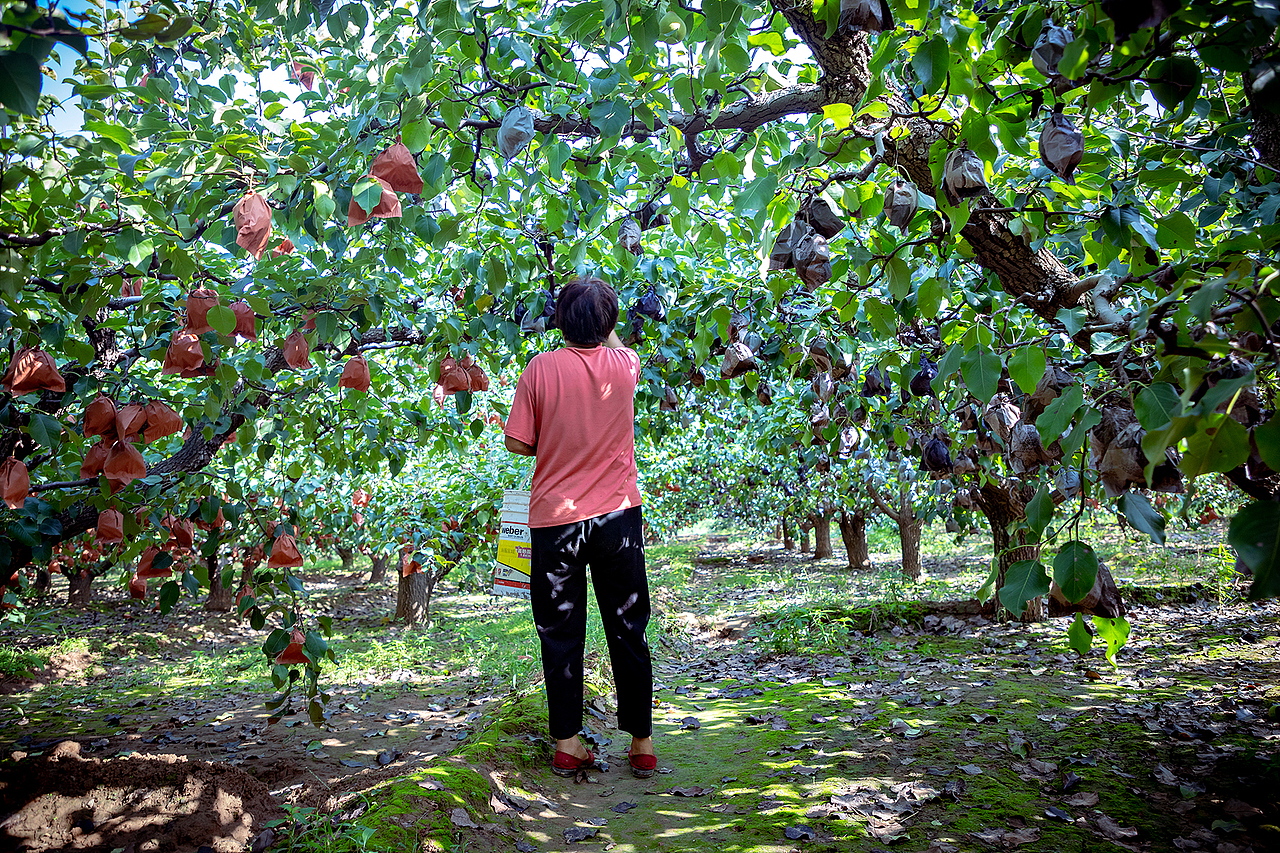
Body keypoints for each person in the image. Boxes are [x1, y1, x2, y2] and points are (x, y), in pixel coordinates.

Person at [503, 276, 656, 779]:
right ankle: (641, 742)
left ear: (560, 321)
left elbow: (519, 443)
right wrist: (605, 328)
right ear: (610, 323)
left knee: (560, 631)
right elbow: (615, 344)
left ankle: (568, 744)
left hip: (555, 521)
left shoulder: (539, 369)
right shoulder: (626, 366)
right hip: (617, 517)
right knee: (628, 626)